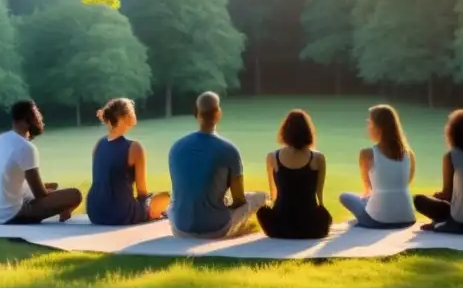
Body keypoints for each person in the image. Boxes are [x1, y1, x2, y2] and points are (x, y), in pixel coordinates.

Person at [167, 92, 268, 239]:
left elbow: (180, 190)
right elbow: (239, 199)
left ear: (196, 114)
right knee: (260, 197)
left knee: (171, 203)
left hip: (180, 228)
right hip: (216, 229)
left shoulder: (176, 147)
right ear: (218, 114)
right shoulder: (229, 150)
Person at [0, 100, 82, 224]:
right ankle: (64, 212)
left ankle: (62, 208)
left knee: (53, 186)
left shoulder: (1, 139)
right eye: (36, 116)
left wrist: (51, 192)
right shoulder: (26, 148)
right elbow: (39, 193)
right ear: (27, 119)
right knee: (74, 194)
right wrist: (56, 199)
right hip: (13, 213)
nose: (39, 120)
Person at [86, 97, 170, 226]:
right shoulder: (135, 147)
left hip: (95, 211)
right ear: (125, 117)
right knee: (165, 197)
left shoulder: (98, 144)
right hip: (121, 213)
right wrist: (145, 207)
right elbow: (141, 190)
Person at [256, 109, 332, 239]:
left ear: (284, 132)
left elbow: (273, 195)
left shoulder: (272, 157)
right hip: (310, 228)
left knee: (262, 211)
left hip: (280, 227)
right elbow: (319, 195)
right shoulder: (318, 158)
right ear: (308, 132)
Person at [338, 104, 416, 229]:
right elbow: (406, 182)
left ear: (378, 127)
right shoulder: (409, 154)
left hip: (378, 221)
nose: (368, 127)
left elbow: (367, 188)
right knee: (368, 198)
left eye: (370, 123)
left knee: (345, 196)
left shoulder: (367, 153)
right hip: (407, 217)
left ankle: (366, 216)